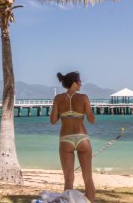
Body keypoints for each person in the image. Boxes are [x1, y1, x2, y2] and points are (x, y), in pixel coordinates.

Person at [50, 71, 96, 202]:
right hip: (82, 138)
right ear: (74, 83)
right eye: (80, 81)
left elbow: (53, 121)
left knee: (68, 178)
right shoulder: (84, 97)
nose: (81, 84)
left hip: (66, 139)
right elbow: (91, 119)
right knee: (88, 178)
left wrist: (62, 112)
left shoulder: (58, 98)